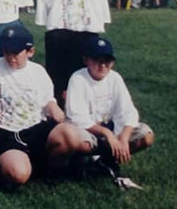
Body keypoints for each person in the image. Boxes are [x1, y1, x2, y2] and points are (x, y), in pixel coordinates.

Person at [0, 25, 81, 188]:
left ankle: (47, 170)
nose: (10, 57)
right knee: (18, 174)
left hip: (36, 129)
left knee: (70, 135)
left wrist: (54, 108)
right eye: (6, 51)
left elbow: (48, 100)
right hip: (7, 132)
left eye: (16, 52)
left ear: (30, 51)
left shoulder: (38, 72)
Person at [66, 37, 154, 181]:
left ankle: (106, 160)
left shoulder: (115, 78)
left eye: (107, 61)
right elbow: (77, 118)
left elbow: (128, 112)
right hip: (89, 132)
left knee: (146, 135)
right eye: (96, 60)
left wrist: (124, 138)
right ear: (86, 60)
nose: (102, 65)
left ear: (112, 62)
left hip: (113, 132)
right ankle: (81, 161)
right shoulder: (78, 78)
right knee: (72, 137)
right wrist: (106, 133)